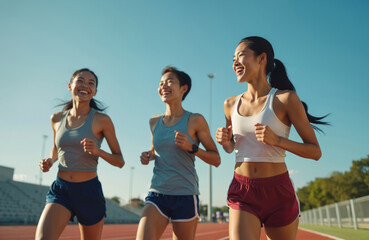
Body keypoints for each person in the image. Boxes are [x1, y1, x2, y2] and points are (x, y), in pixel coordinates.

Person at [216, 36, 328, 240]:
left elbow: (315, 152)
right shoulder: (230, 104)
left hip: (279, 192)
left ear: (261, 58)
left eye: (240, 56)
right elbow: (232, 148)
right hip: (243, 190)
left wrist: (278, 141)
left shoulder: (285, 99)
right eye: (232, 59)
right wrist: (226, 142)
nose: (234, 63)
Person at [35, 68, 125, 240]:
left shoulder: (102, 120)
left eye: (91, 83)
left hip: (89, 191)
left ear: (95, 92)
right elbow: (57, 148)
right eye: (81, 81)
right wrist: (50, 161)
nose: (85, 85)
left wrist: (98, 151)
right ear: (70, 86)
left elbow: (120, 161)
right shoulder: (56, 118)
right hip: (61, 190)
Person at [136, 66, 221, 240]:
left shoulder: (195, 120)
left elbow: (216, 159)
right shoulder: (154, 122)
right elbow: (155, 150)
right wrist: (148, 156)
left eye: (169, 82)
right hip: (157, 193)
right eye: (161, 83)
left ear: (184, 88)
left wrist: (193, 148)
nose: (163, 86)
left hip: (185, 195)